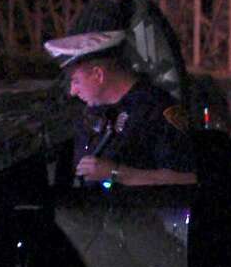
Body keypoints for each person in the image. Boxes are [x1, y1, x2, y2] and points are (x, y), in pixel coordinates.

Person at [44, 30, 196, 186]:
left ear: (98, 75)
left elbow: (188, 178)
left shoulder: (157, 109)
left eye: (76, 81)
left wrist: (116, 173)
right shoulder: (91, 109)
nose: (72, 91)